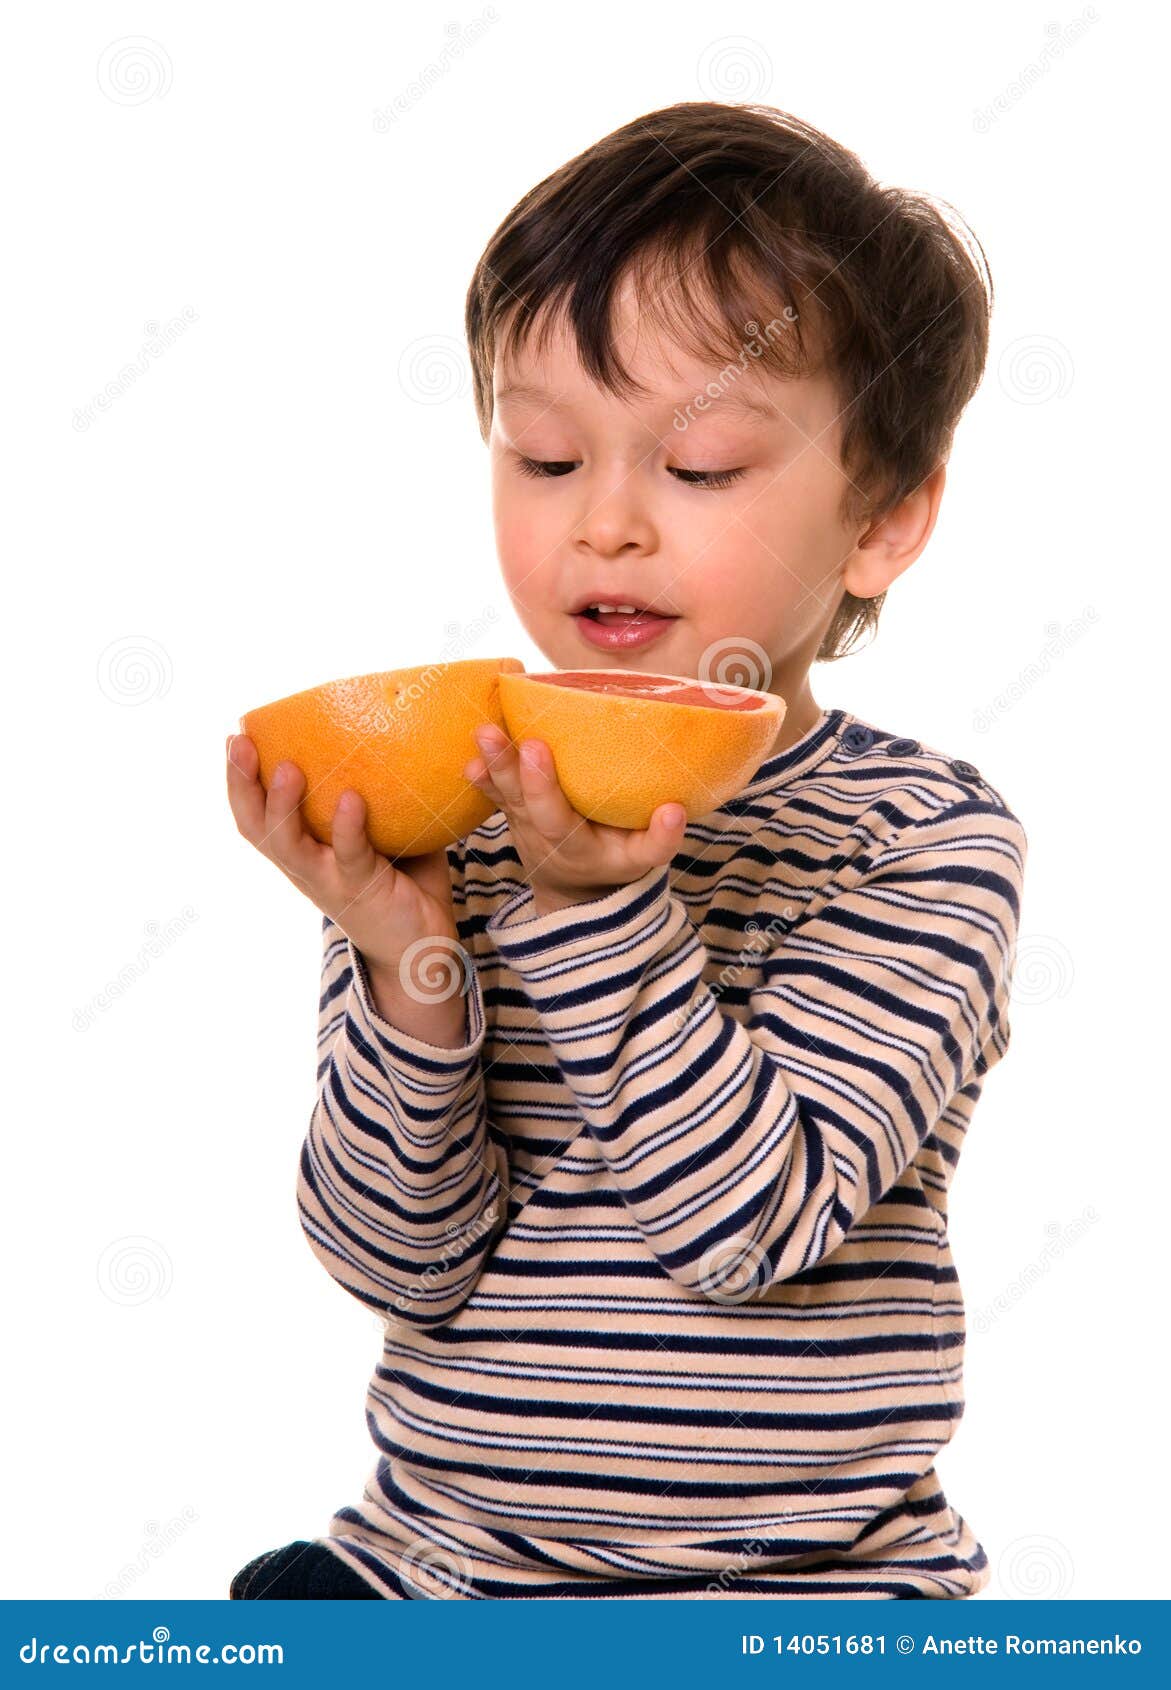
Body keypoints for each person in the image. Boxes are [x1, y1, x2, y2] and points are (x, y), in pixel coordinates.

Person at [225, 100, 1026, 1600]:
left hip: (799, 1590)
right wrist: (407, 962)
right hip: (449, 1567)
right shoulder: (450, 805)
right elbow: (396, 1260)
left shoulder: (922, 841)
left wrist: (597, 905)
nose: (604, 525)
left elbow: (748, 1227)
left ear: (884, 520)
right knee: (273, 1611)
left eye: (701, 466)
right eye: (541, 456)